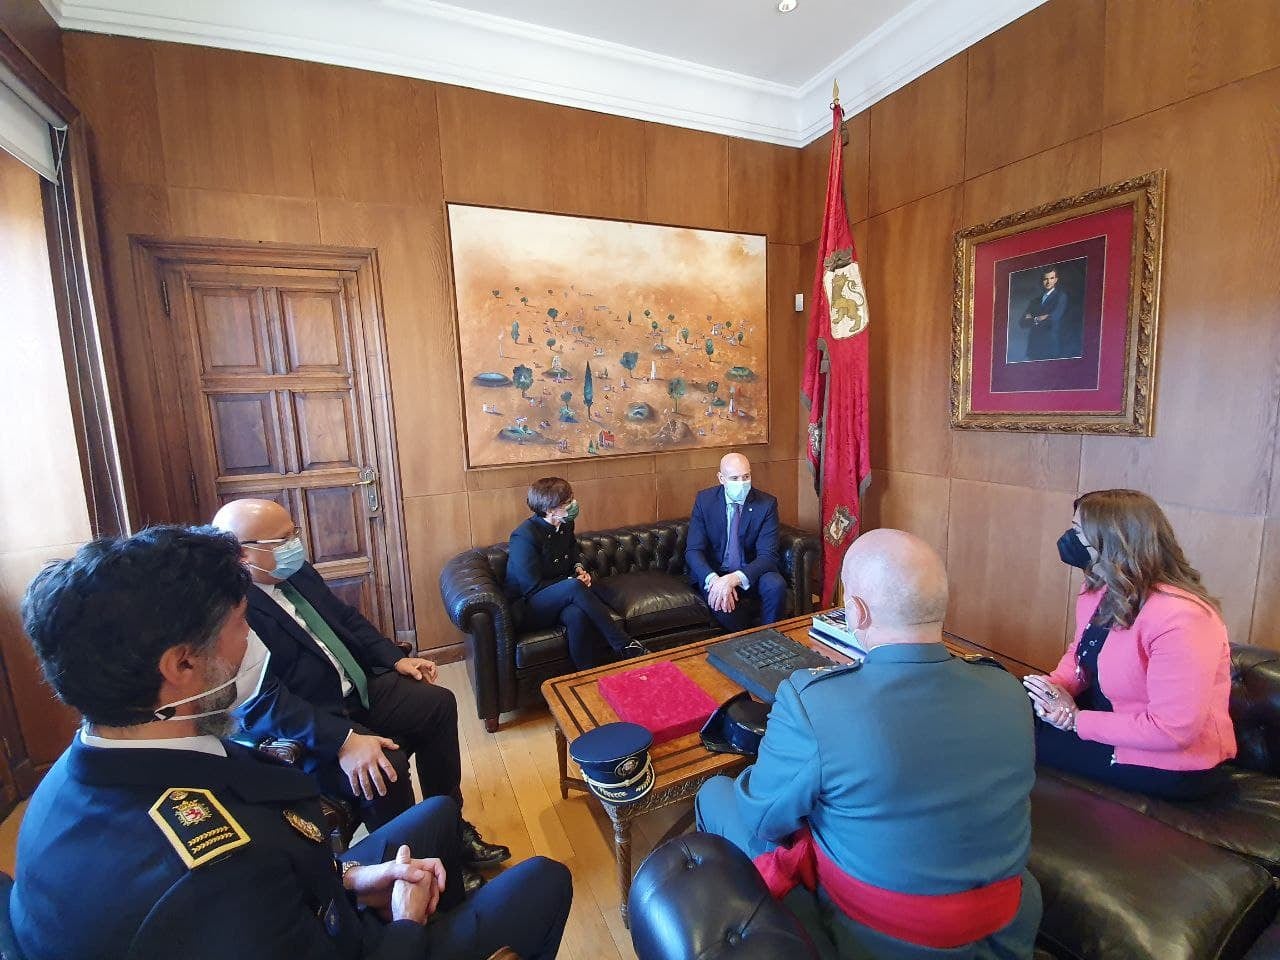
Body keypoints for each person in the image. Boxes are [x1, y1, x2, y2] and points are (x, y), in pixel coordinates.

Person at [9, 525, 572, 960]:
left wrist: (350, 879)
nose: (251, 643)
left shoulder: (74, 773)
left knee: (440, 814)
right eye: (240, 626)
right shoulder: (214, 875)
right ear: (181, 665)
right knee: (543, 880)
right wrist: (406, 923)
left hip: (316, 897)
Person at [696, 529, 1041, 959]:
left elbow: (762, 818)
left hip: (878, 938)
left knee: (715, 794)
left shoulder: (812, 702)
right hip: (1007, 932)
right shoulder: (1007, 690)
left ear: (855, 612)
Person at [211, 499, 508, 885]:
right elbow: (257, 703)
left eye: (294, 533)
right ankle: (412, 867)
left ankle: (450, 827)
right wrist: (343, 741)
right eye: (283, 539)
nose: (295, 544)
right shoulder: (227, 611)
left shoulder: (295, 572)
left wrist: (392, 657)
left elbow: (345, 618)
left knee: (437, 704)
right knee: (388, 765)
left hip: (355, 688)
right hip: (314, 721)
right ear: (243, 553)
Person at [1023, 489, 1235, 800]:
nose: (1070, 539)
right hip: (1110, 721)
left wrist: (1075, 720)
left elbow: (1172, 730)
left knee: (1011, 734)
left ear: (1113, 543)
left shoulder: (1183, 618)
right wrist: (1052, 690)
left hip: (1172, 763)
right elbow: (1082, 652)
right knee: (1007, 704)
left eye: (1078, 532)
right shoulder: (1098, 588)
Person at [504, 477, 644, 669]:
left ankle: (586, 677)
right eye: (567, 502)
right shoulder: (524, 535)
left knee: (576, 614)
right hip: (528, 606)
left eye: (571, 498)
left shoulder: (566, 524)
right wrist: (573, 581)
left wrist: (578, 568)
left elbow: (572, 550)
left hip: (561, 597)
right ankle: (624, 644)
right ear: (550, 508)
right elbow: (531, 587)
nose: (573, 504)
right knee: (574, 587)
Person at [686, 452, 787, 632]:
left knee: (775, 584)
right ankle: (749, 646)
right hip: (716, 573)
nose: (742, 483)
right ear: (721, 478)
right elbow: (693, 551)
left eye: (746, 477)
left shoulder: (766, 504)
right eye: (734, 478)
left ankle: (772, 638)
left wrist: (734, 579)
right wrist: (715, 580)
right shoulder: (705, 501)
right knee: (726, 608)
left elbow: (768, 556)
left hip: (750, 571)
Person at [1018, 267, 1068, 360]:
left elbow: (1053, 318)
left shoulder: (1061, 297)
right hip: (1034, 347)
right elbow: (1022, 323)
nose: (1048, 282)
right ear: (1042, 280)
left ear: (1056, 280)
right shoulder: (1034, 301)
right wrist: (1039, 318)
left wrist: (1032, 319)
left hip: (1050, 346)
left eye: (1051, 278)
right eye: (1046, 279)